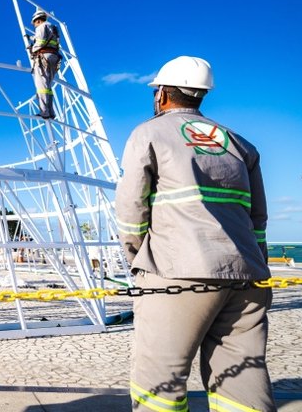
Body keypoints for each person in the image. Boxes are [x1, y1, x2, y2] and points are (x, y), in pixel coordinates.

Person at [115, 57, 274, 411]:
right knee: (242, 380)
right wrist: (257, 264)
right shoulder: (240, 144)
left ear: (163, 94)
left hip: (177, 271)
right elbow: (258, 219)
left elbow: (131, 210)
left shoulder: (149, 133)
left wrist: (140, 259)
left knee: (160, 381)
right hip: (247, 275)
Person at [26, 9, 61, 119]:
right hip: (54, 57)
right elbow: (46, 39)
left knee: (41, 86)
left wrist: (32, 49)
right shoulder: (53, 27)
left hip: (43, 57)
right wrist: (31, 38)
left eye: (34, 23)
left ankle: (44, 112)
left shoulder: (41, 27)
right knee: (48, 87)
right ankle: (51, 112)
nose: (34, 25)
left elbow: (40, 41)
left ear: (37, 20)